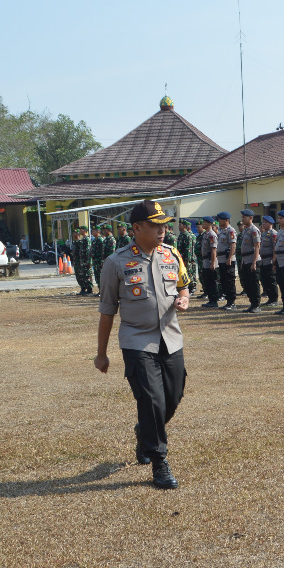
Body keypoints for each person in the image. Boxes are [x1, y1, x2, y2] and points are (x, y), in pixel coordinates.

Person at [95, 199, 190, 489]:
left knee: (173, 397)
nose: (162, 230)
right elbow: (107, 311)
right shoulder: (116, 262)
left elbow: (184, 286)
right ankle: (159, 461)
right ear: (136, 228)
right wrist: (101, 354)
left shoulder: (171, 254)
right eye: (154, 225)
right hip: (137, 342)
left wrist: (184, 299)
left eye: (164, 225)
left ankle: (145, 430)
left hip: (170, 339)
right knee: (151, 400)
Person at [237, 209, 262, 313]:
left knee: (253, 283)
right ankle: (252, 303)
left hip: (252, 259)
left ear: (251, 218)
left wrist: (254, 262)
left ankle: (257, 305)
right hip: (245, 260)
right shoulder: (245, 230)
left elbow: (257, 247)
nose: (242, 219)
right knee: (247, 283)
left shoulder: (254, 230)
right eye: (242, 217)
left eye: (244, 217)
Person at [215, 211, 238, 309]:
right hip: (221, 259)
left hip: (227, 259)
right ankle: (228, 301)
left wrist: (229, 258)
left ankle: (232, 302)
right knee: (224, 280)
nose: (219, 221)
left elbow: (233, 245)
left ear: (226, 220)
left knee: (229, 280)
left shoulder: (230, 231)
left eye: (220, 219)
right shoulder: (222, 231)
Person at [198, 217, 220, 307]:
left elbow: (213, 250)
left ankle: (214, 301)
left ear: (209, 224)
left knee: (212, 281)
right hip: (205, 261)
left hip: (210, 261)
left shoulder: (211, 235)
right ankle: (211, 300)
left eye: (204, 222)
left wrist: (213, 263)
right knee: (207, 281)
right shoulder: (206, 234)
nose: (203, 224)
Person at [258, 213, 278, 307]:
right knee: (265, 280)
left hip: (269, 259)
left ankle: (274, 299)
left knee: (271, 280)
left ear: (271, 223)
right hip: (263, 260)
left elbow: (275, 248)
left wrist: (274, 260)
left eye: (265, 222)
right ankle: (270, 298)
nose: (263, 224)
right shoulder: (263, 234)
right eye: (263, 222)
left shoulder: (273, 233)